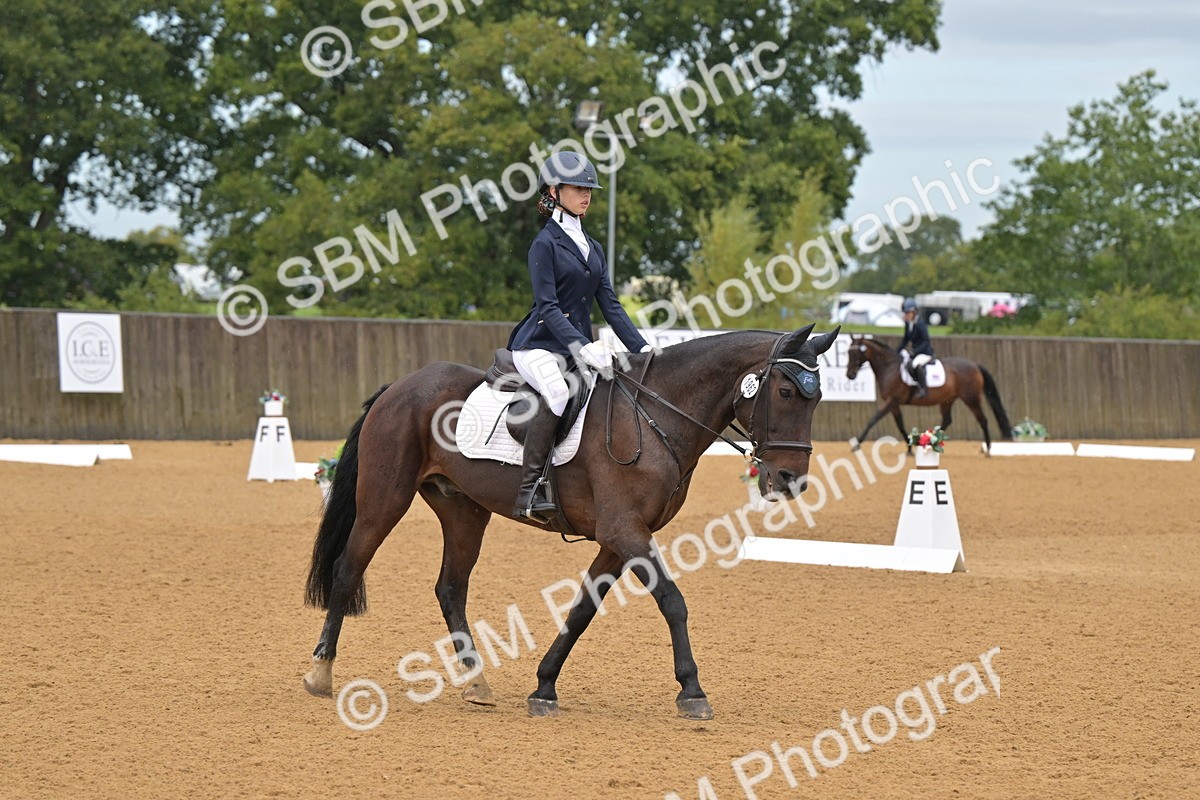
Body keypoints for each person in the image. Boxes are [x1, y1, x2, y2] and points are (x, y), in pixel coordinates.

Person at [506, 151, 652, 522]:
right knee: (557, 392)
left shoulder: (593, 247)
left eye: (589, 188)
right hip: (538, 344)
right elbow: (548, 306)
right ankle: (530, 490)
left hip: (575, 347)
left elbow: (611, 305)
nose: (586, 195)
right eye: (578, 188)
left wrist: (643, 349)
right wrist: (583, 346)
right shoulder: (545, 244)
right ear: (554, 191)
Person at [897, 297, 934, 399]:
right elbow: (905, 340)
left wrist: (914, 351)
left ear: (914, 312)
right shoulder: (908, 324)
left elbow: (926, 342)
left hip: (925, 352)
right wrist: (896, 351)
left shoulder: (921, 324)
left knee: (915, 365)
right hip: (915, 352)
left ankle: (923, 389)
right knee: (905, 364)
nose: (906, 315)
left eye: (908, 313)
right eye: (905, 313)